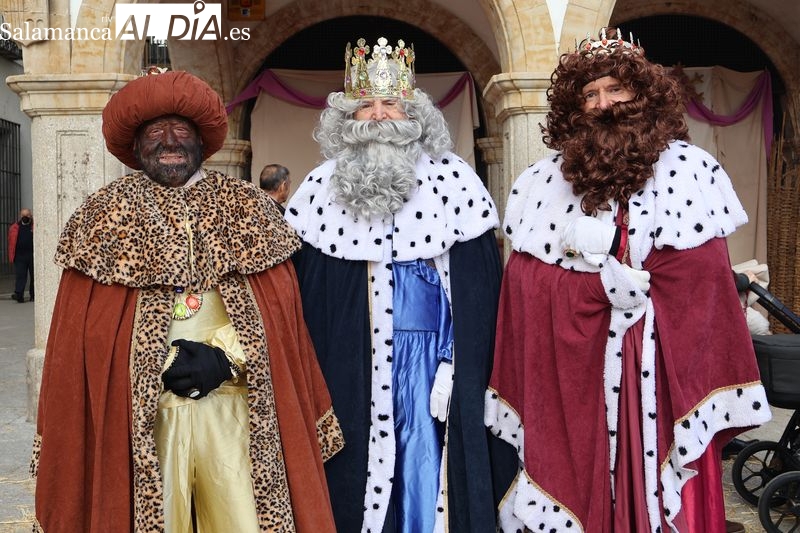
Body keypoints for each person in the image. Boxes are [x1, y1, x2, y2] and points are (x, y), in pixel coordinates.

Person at [484, 28, 771, 533]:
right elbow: (523, 287)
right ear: (574, 109)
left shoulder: (690, 171)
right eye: (590, 94)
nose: (603, 104)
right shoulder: (541, 182)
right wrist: (593, 290)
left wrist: (643, 285)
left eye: (615, 89)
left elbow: (705, 282)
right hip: (577, 383)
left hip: (661, 378)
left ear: (642, 94)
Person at [31, 70, 343, 533]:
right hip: (141, 422)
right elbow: (81, 337)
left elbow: (283, 322)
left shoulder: (249, 208)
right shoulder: (102, 216)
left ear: (201, 139)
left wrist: (228, 358)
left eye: (180, 129)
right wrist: (155, 363)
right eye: (155, 131)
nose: (169, 141)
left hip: (236, 412)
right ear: (136, 144)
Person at [285, 37, 515, 533]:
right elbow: (305, 300)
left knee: (428, 473)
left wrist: (457, 361)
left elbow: (478, 294)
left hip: (433, 363)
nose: (378, 115)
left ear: (413, 112)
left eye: (390, 103)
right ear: (347, 117)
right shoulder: (318, 189)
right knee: (353, 480)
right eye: (365, 104)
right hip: (348, 365)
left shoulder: (454, 182)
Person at [7, 207, 34, 303]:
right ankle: (19, 294)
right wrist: (12, 255)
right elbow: (10, 242)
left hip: (32, 255)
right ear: (20, 216)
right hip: (19, 256)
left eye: (27, 215)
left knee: (34, 276)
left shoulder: (34, 226)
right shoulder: (14, 227)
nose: (25, 217)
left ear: (31, 216)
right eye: (23, 215)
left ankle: (33, 295)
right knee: (20, 275)